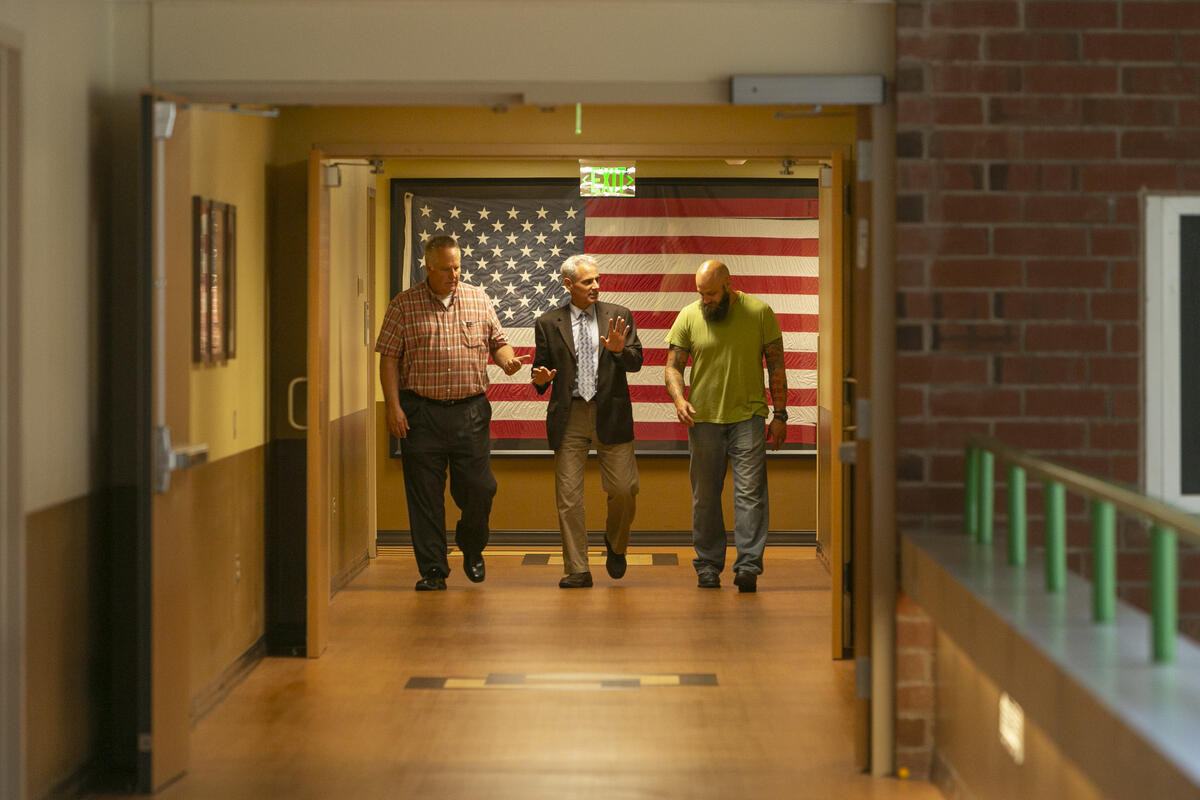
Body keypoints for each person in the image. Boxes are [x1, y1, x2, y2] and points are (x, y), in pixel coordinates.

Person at [375, 235, 529, 591]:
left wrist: (507, 361)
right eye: (446, 269)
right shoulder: (404, 305)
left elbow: (499, 343)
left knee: (481, 488)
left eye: (457, 267)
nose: (454, 274)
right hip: (421, 412)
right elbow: (389, 359)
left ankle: (472, 546)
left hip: (469, 411)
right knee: (425, 496)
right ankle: (433, 570)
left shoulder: (478, 299)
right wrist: (393, 406)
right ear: (428, 267)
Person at [664, 260, 788, 593]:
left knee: (750, 494)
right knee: (705, 497)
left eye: (711, 294)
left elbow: (776, 366)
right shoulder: (688, 316)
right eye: (701, 294)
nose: (705, 300)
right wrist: (679, 399)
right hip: (703, 419)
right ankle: (707, 565)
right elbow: (673, 367)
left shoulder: (759, 313)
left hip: (748, 417)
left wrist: (780, 415)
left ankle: (748, 567)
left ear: (728, 285)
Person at [531, 254, 643, 588]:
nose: (595, 286)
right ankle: (577, 568)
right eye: (587, 281)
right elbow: (541, 370)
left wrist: (620, 351)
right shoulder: (548, 323)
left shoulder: (618, 315)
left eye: (597, 279)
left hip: (611, 413)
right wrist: (540, 379)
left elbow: (636, 361)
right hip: (570, 416)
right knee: (568, 497)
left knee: (625, 489)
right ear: (568, 285)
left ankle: (616, 544)